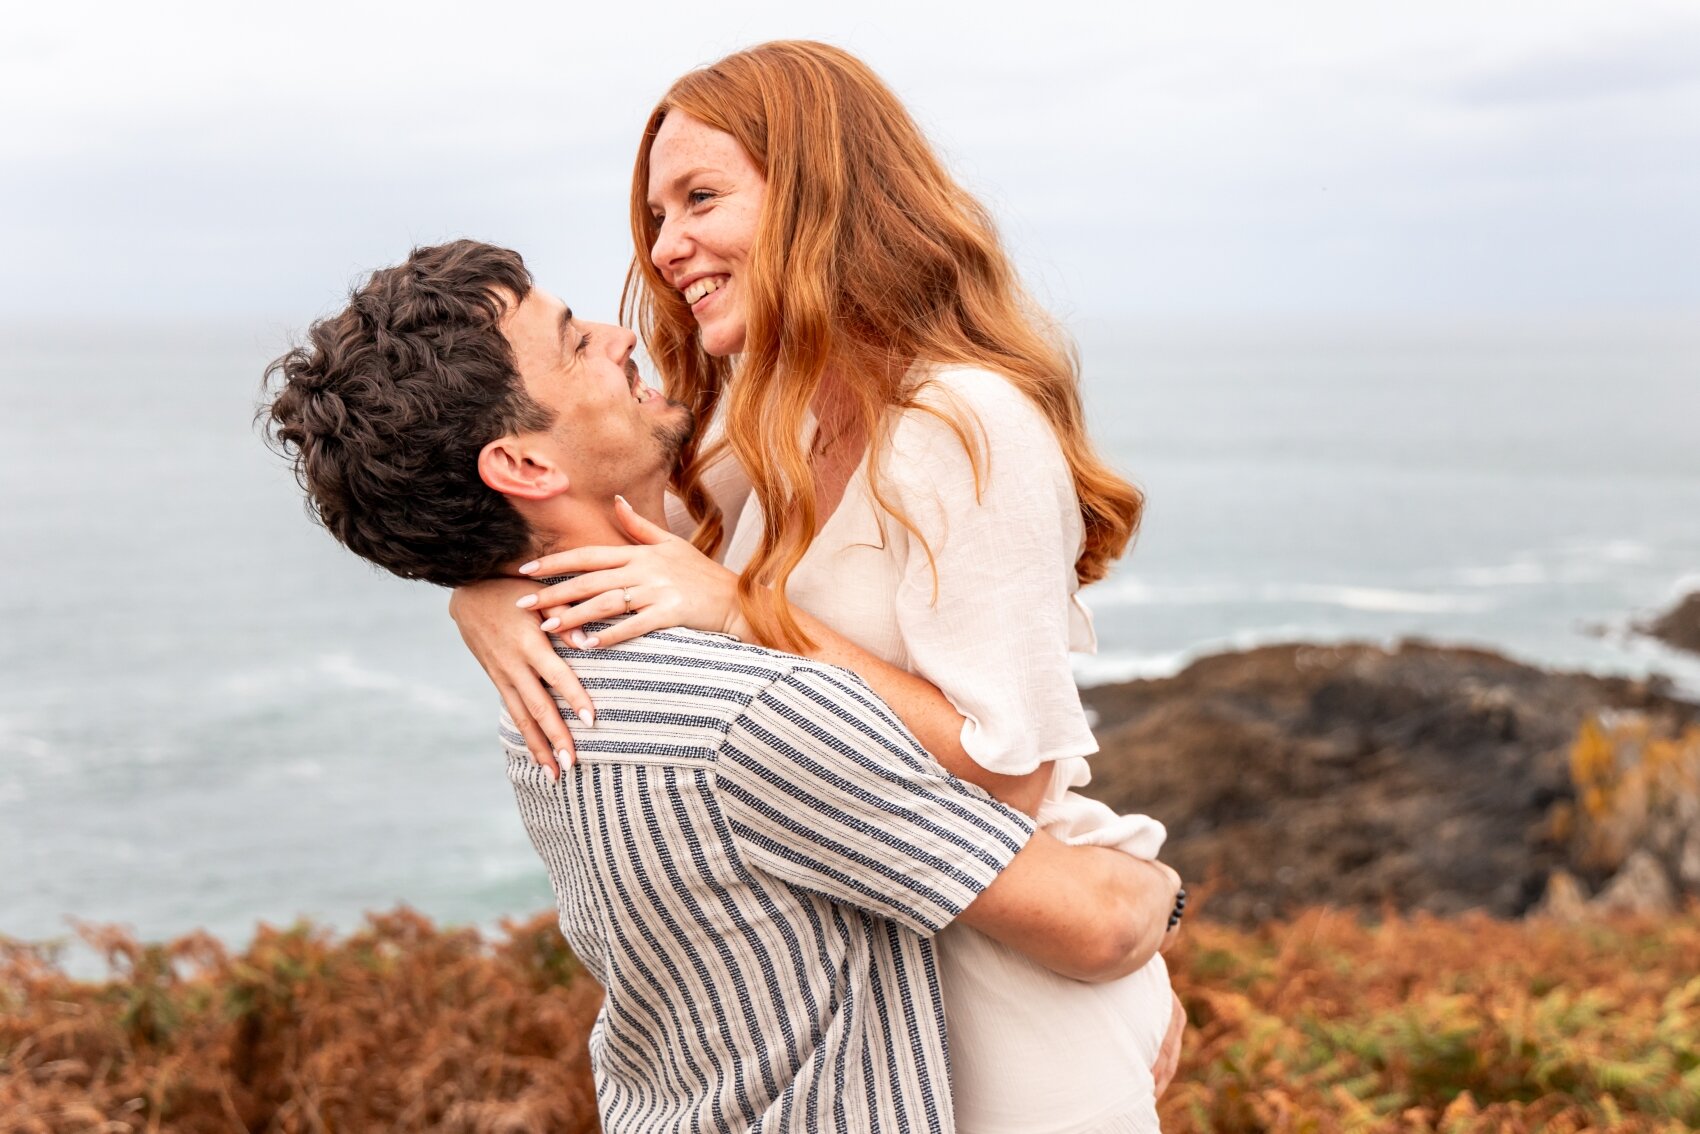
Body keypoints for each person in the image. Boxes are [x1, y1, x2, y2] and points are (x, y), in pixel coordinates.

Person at [261, 239, 1184, 1134]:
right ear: (527, 465)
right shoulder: (750, 714)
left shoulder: (543, 700)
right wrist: (1163, 894)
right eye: (577, 342)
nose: (621, 335)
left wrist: (480, 588)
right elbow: (1099, 922)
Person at [449, 41, 1185, 1132]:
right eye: (655, 215)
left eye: (700, 198)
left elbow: (1009, 774)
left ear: (817, 194)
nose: (666, 249)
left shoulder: (962, 424)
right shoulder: (765, 420)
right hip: (881, 986)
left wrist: (746, 614)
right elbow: (574, 512)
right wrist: (480, 597)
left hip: (1004, 988)